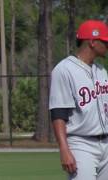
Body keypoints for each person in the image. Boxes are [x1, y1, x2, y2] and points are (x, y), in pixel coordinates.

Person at [50, 20, 108, 180]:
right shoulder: (64, 70)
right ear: (92, 42)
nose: (107, 45)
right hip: (81, 144)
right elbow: (58, 113)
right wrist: (64, 149)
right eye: (105, 41)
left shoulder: (102, 71)